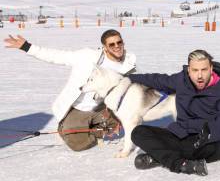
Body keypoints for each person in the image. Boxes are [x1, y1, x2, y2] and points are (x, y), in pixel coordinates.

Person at [3, 30, 135, 151]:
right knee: (77, 144)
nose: (117, 46)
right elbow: (57, 56)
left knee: (124, 119)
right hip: (78, 108)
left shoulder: (128, 65)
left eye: (119, 42)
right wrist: (26, 46)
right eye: (112, 44)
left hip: (103, 107)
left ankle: (98, 126)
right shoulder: (87, 56)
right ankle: (69, 128)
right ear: (105, 47)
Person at [128, 50, 220, 176]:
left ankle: (162, 158)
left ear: (211, 69)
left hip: (210, 141)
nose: (199, 76)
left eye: (204, 70)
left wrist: (210, 132)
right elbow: (158, 80)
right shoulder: (182, 80)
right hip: (181, 134)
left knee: (193, 148)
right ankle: (183, 163)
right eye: (195, 70)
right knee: (138, 133)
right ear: (188, 70)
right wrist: (128, 78)